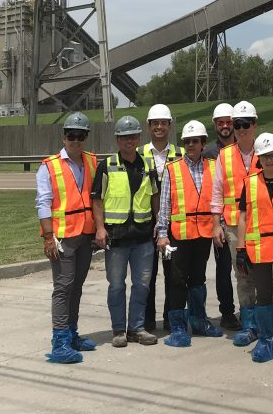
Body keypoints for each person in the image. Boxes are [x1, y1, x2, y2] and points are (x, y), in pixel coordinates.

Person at [90, 115, 159, 348]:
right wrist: (100, 228)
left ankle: (137, 328)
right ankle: (119, 329)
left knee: (142, 284)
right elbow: (97, 200)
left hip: (143, 237)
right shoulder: (107, 166)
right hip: (117, 238)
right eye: (124, 137)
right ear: (118, 140)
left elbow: (155, 197)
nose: (129, 141)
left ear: (139, 138)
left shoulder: (148, 165)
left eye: (133, 136)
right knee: (117, 284)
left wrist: (159, 224)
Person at [34, 111, 98, 364]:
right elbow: (43, 202)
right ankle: (59, 341)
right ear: (64, 137)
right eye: (72, 136)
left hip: (85, 234)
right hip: (62, 237)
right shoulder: (49, 166)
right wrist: (48, 237)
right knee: (63, 287)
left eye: (81, 136)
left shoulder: (92, 162)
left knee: (77, 287)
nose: (76, 141)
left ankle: (72, 333)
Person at [156, 120, 223, 347]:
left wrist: (218, 225)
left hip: (203, 234)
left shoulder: (214, 167)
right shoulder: (172, 168)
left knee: (198, 279)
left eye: (195, 141)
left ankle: (198, 320)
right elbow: (164, 205)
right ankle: (177, 326)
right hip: (178, 236)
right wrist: (162, 234)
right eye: (187, 142)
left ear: (204, 143)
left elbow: (218, 200)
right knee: (176, 280)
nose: (191, 145)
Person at [235, 132, 273, 363]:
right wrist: (240, 249)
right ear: (258, 159)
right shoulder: (250, 183)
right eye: (264, 156)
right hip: (258, 248)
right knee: (263, 295)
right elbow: (243, 217)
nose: (269, 160)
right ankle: (267, 339)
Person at [211, 100, 264, 346]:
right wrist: (216, 225)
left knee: (269, 273)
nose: (242, 129)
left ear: (255, 125)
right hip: (233, 225)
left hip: (263, 223)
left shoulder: (266, 151)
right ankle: (250, 322)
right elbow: (217, 192)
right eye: (238, 125)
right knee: (242, 274)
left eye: (246, 124)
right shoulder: (224, 155)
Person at [201, 102, 242, 331]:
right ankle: (227, 313)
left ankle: (249, 309)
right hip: (221, 220)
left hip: (243, 220)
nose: (225, 126)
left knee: (246, 269)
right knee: (223, 268)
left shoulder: (244, 147)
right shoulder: (208, 153)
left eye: (229, 122)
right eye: (221, 122)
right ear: (215, 125)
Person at [143, 103, 183, 333]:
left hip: (171, 223)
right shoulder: (139, 154)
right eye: (155, 123)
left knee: (173, 275)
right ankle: (148, 321)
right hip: (146, 224)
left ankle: (171, 318)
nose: (159, 127)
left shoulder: (180, 153)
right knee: (148, 276)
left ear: (169, 125)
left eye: (163, 123)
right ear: (149, 126)